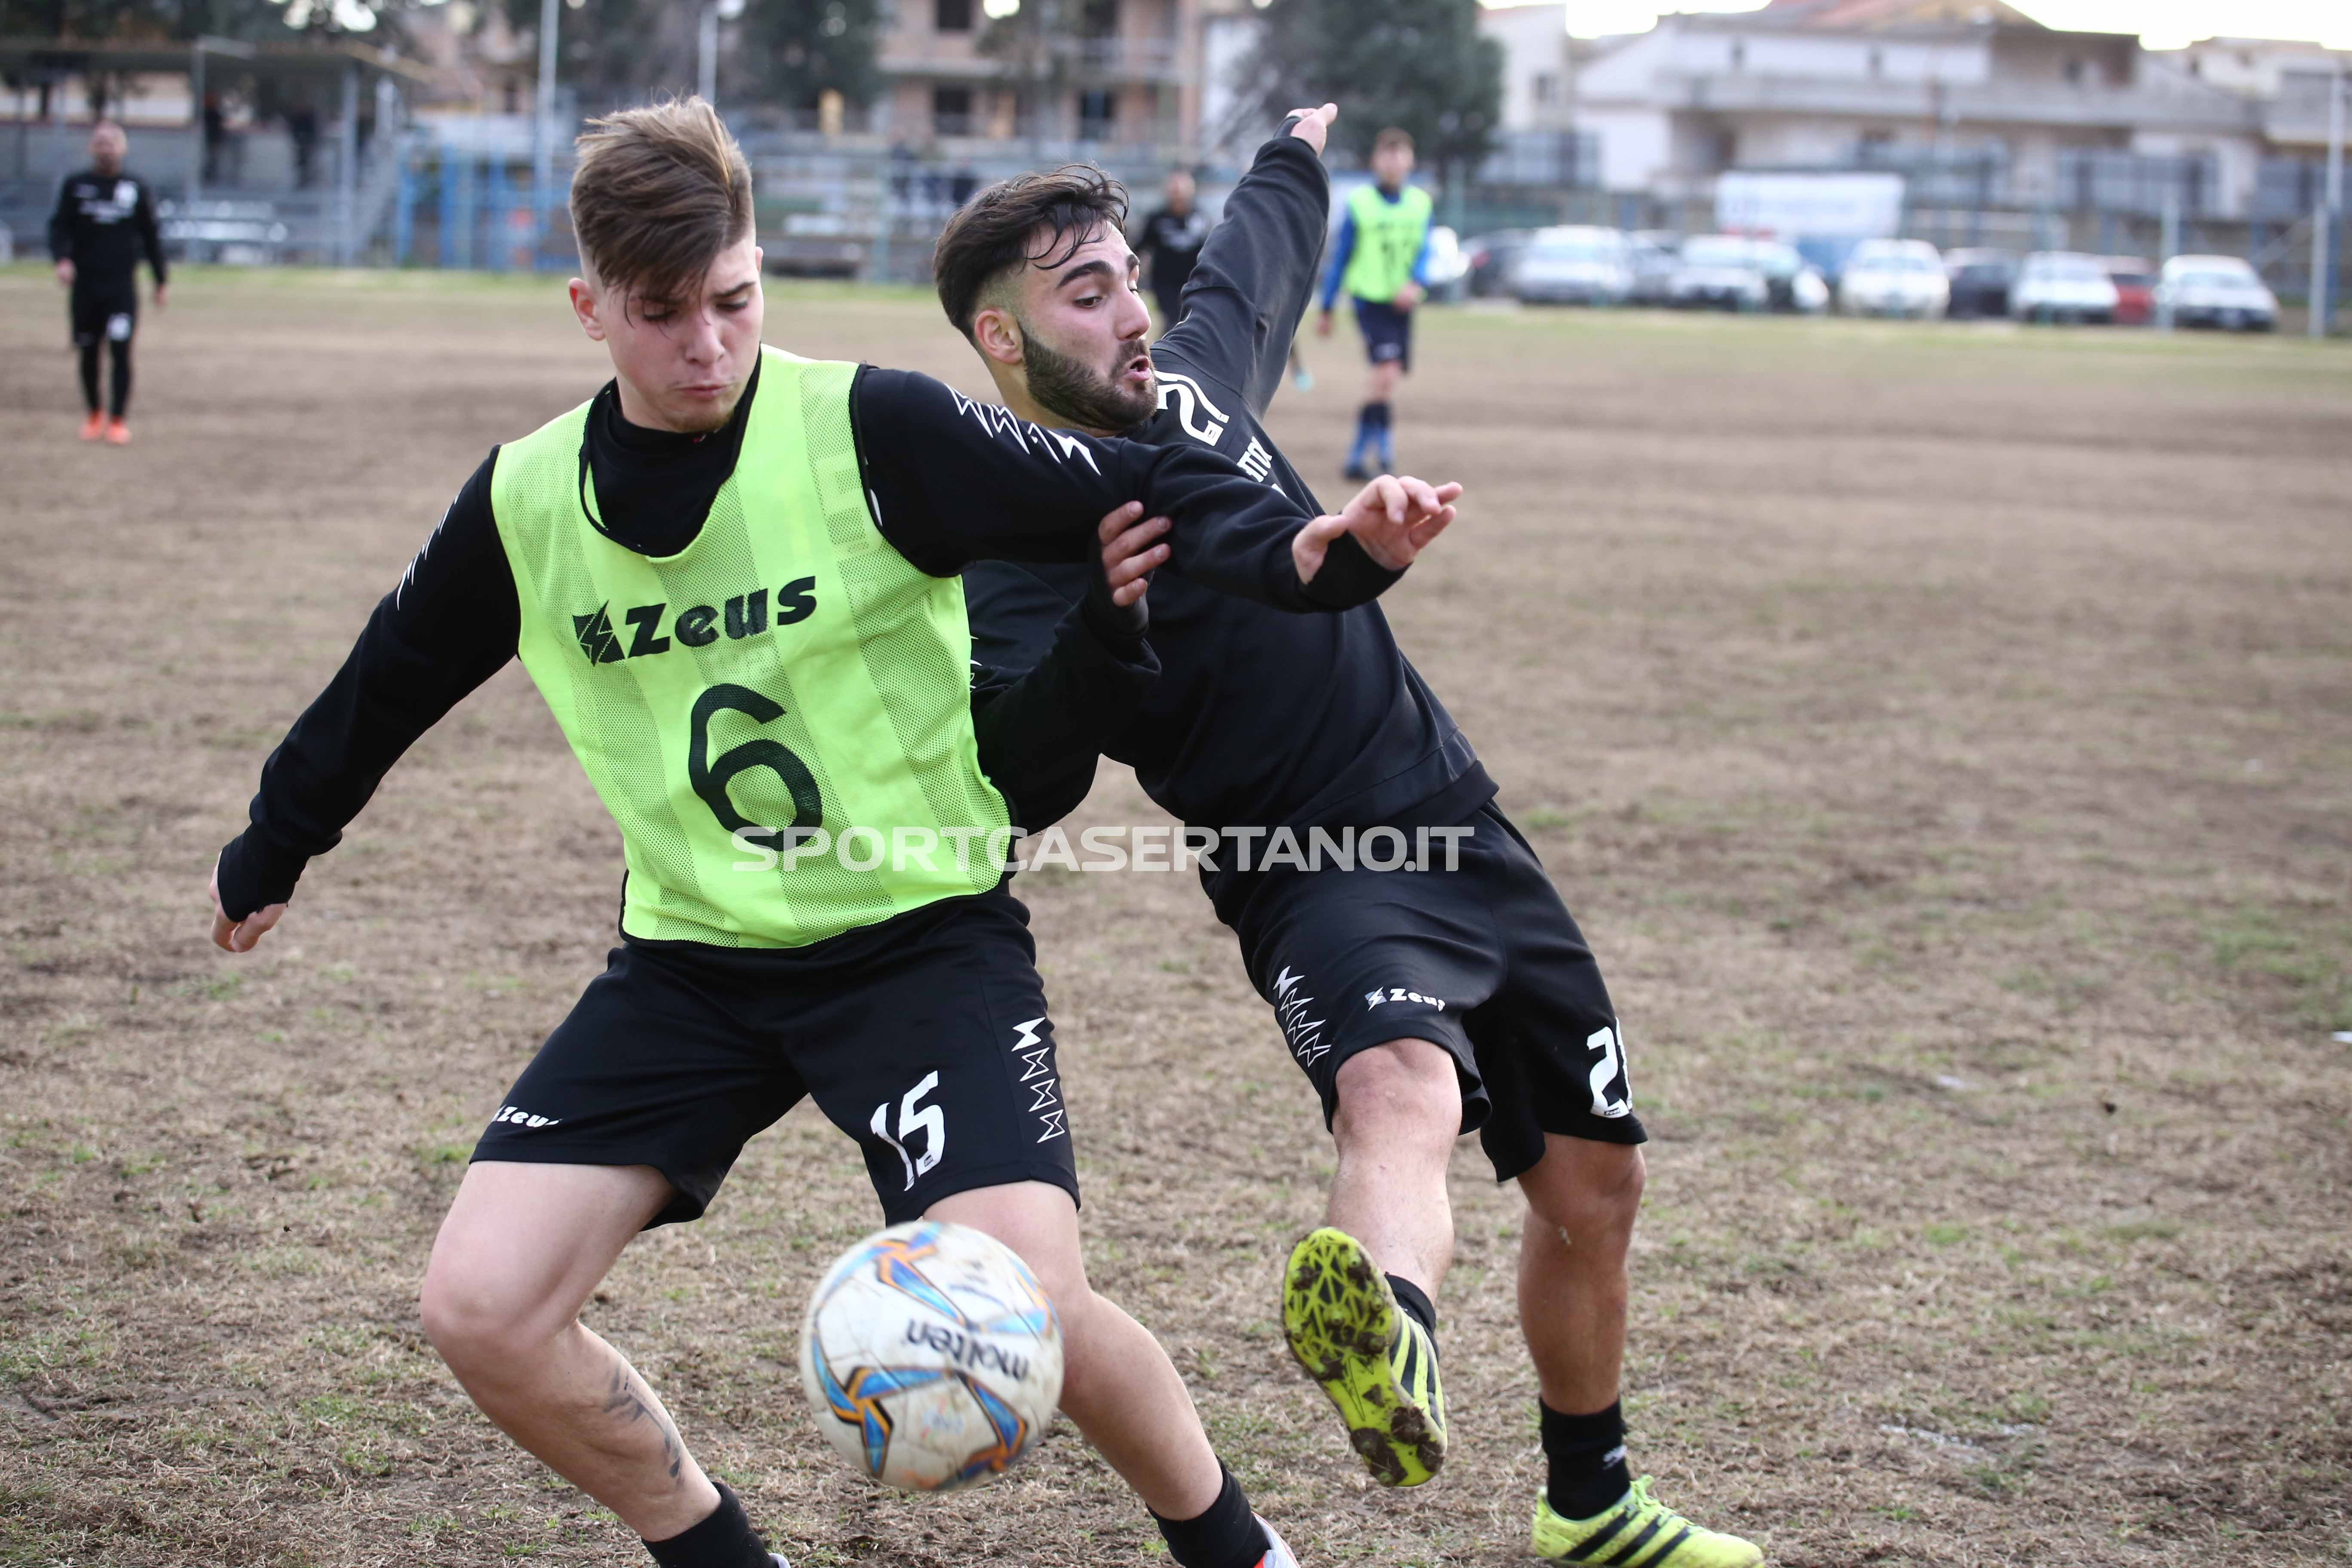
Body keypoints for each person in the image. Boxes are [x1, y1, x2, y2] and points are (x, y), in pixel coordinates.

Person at [204, 98, 1458, 1568]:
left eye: (733, 302)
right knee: (480, 1309)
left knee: (1034, 1302)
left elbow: (1140, 488)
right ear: (587, 306)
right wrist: (273, 844)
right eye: (662, 316)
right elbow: (388, 678)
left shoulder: (873, 429)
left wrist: (1309, 556)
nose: (708, 349)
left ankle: (1240, 1549)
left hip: (920, 944)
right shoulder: (528, 499)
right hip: (691, 963)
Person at [944, 110, 1764, 1567]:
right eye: (1085, 294)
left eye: (1126, 277)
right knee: (1400, 1085)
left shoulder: (1190, 383)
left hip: (1458, 818)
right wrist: (1100, 622)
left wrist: (1295, 150)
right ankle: (1388, 1321)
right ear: (1003, 344)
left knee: (1592, 1183)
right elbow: (1018, 767)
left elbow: (1259, 264)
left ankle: (1590, 1502)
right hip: (1306, 866)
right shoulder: (1011, 533)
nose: (1130, 311)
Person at [1316, 126, 1431, 482]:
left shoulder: (1420, 203)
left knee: (1386, 381)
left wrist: (1416, 283)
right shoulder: (1361, 203)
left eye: (1400, 154)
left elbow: (1425, 252)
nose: (1394, 162)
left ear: (1410, 160)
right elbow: (1342, 257)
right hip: (1369, 302)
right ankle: (1381, 454)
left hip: (1403, 305)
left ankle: (1361, 456)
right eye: (1387, 154)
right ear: (1376, 161)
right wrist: (1327, 306)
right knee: (1385, 374)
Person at [48, 119, 167, 446]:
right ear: (92, 147)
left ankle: (117, 420)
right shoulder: (76, 185)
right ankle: (94, 414)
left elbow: (151, 236)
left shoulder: (135, 187)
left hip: (120, 289)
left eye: (112, 142)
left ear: (122, 148)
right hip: (85, 287)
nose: (106, 148)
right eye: (100, 142)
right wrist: (62, 260)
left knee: (120, 351)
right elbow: (59, 228)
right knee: (88, 353)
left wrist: (161, 279)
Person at [1135, 168, 1210, 330]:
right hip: (1164, 282)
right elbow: (1140, 247)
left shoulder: (1201, 218)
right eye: (1174, 191)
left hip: (1193, 279)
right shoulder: (1157, 219)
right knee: (1172, 320)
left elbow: (1209, 249)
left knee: (1192, 319)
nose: (1178, 196)